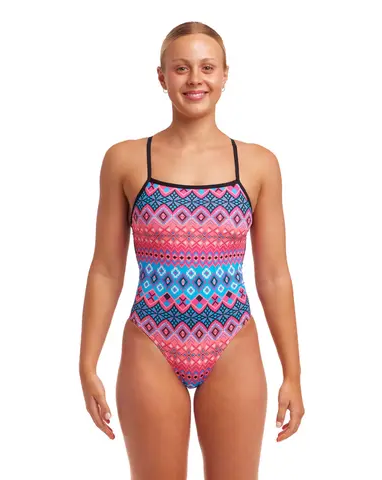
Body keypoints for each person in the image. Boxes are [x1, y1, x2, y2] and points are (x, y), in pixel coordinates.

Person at [79, 21, 305, 480]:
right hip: (151, 340)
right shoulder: (125, 160)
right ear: (162, 76)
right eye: (181, 68)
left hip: (232, 339)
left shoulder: (258, 164)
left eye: (207, 67)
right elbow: (105, 269)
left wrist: (293, 373)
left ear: (225, 75)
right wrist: (87, 363)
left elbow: (274, 275)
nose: (195, 79)